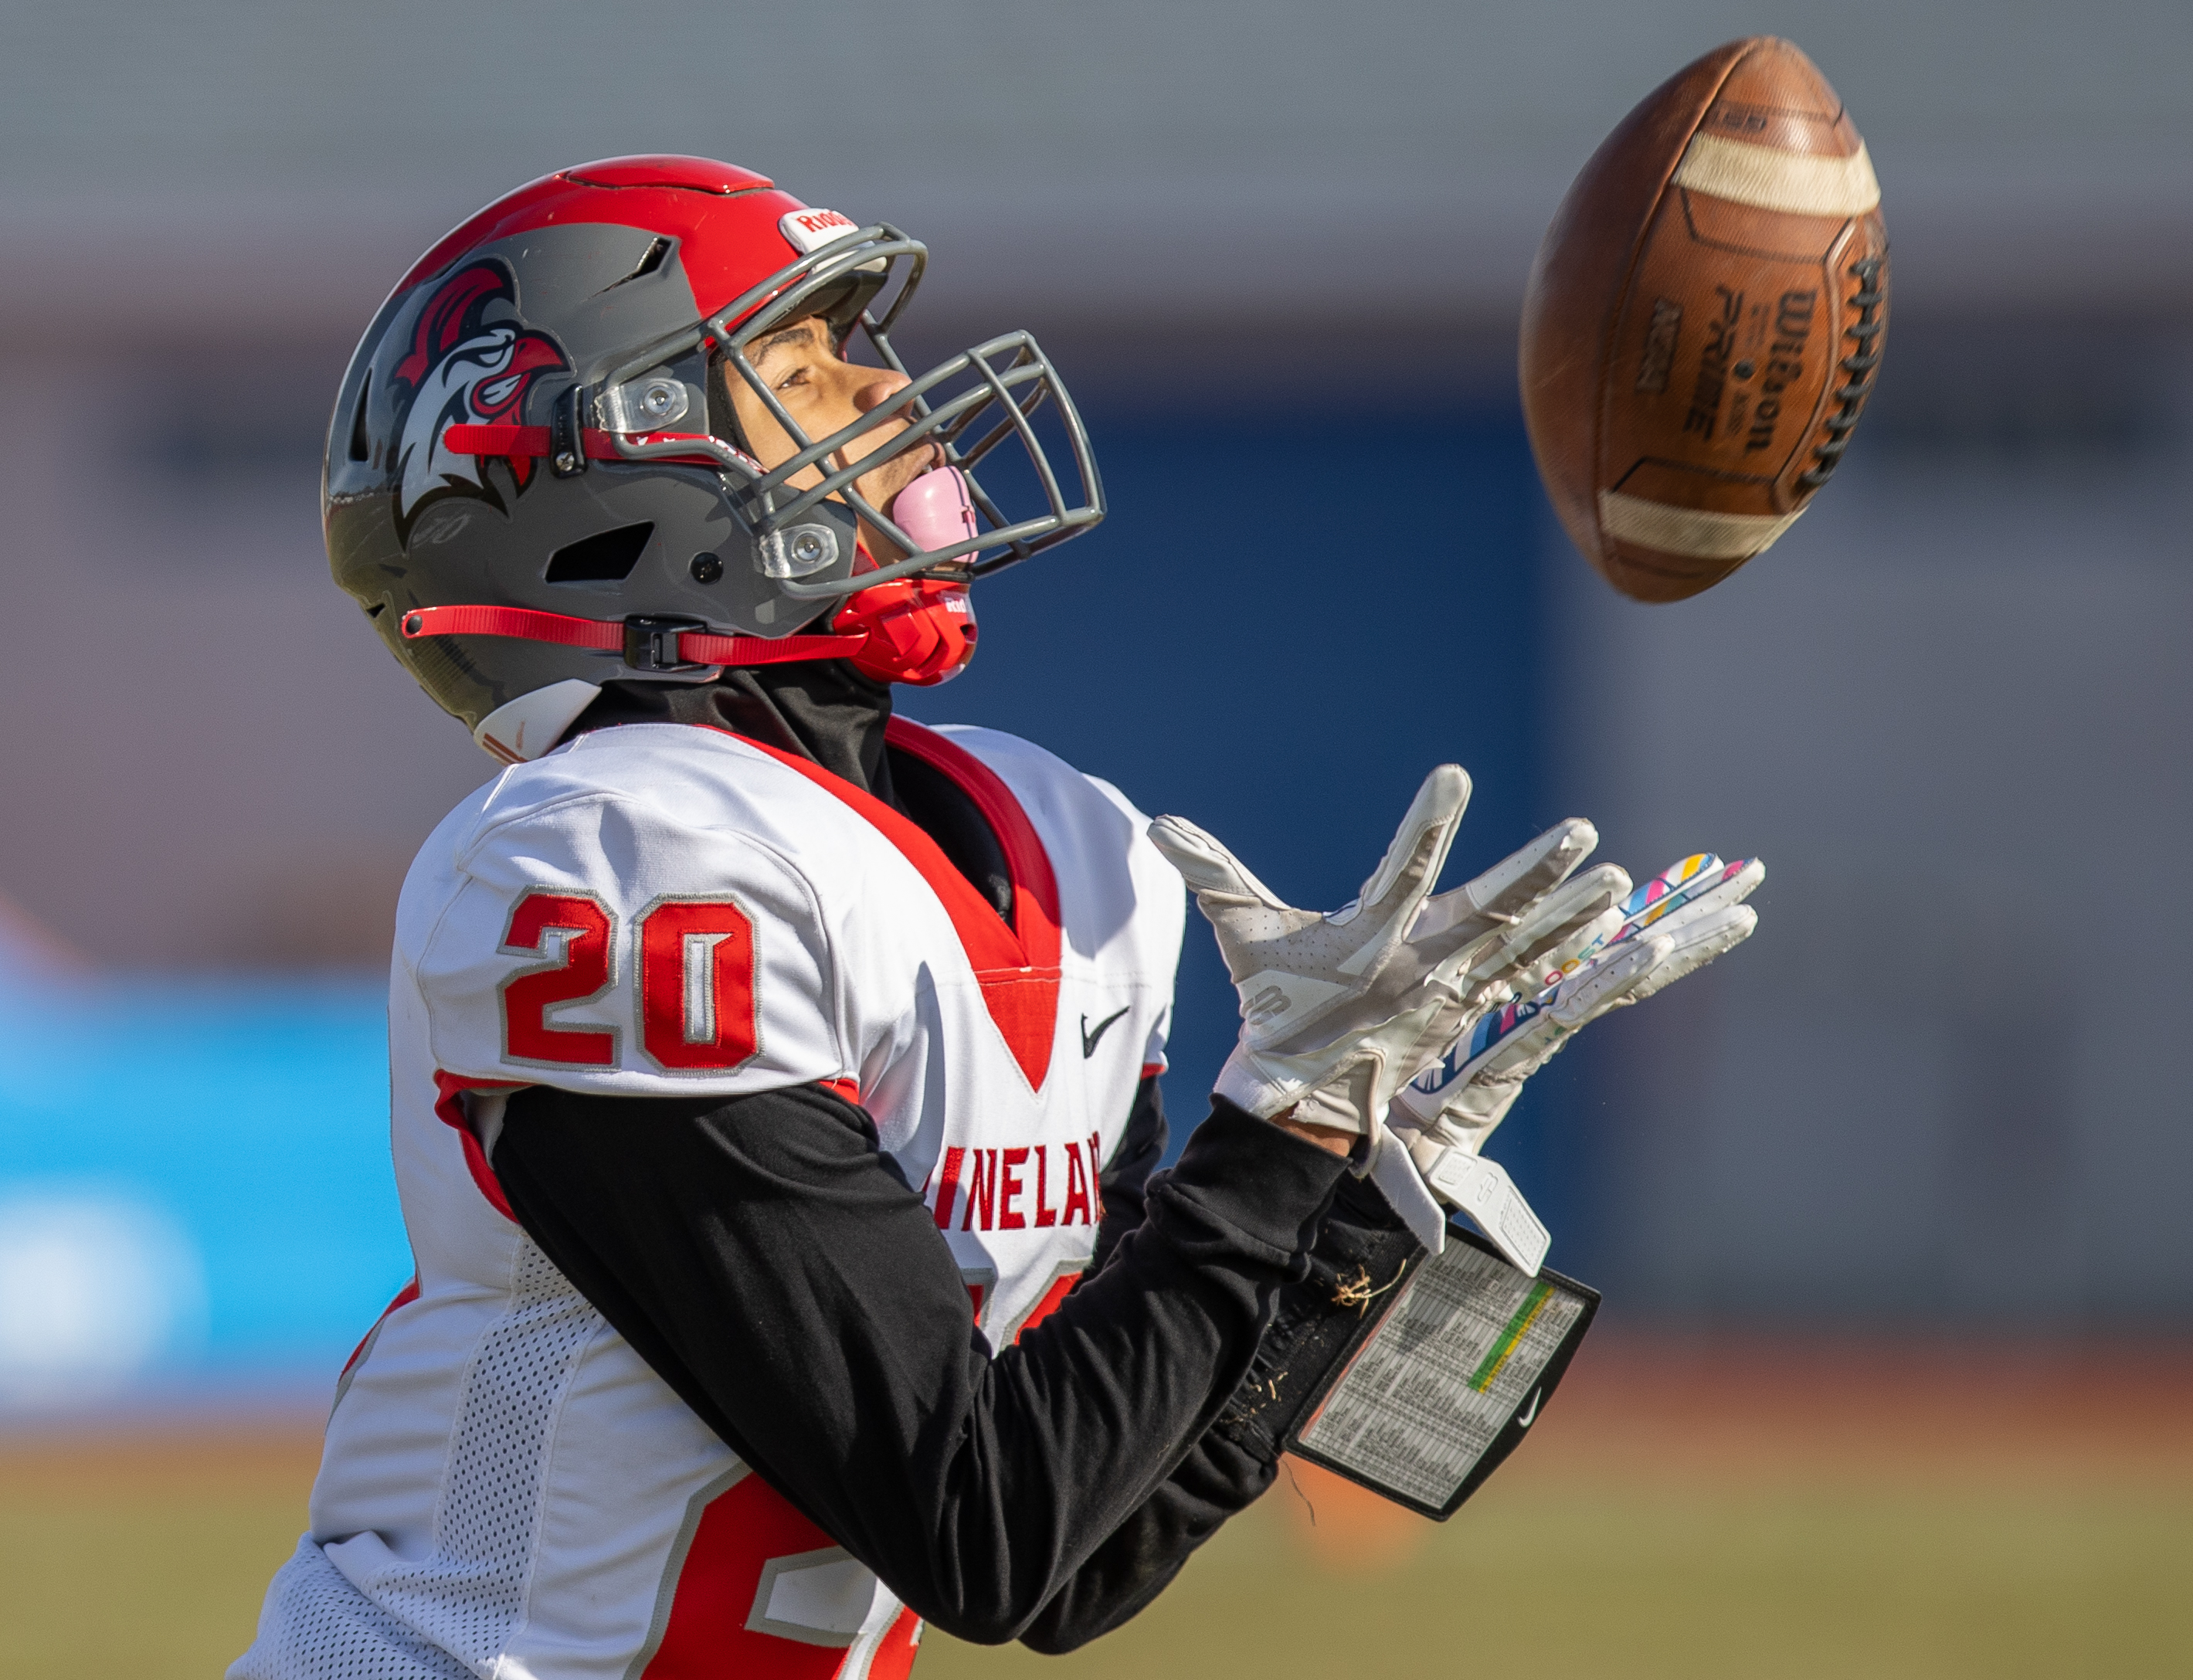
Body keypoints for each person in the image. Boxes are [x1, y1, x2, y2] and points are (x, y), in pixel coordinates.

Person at [232, 154, 1755, 1680]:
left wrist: (1364, 1184)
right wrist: (1277, 1139)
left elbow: (1078, 1555)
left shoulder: (1069, 841)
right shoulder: (614, 859)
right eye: (800, 356)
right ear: (605, 459)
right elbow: (979, 1522)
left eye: (863, 340)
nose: (890, 392)